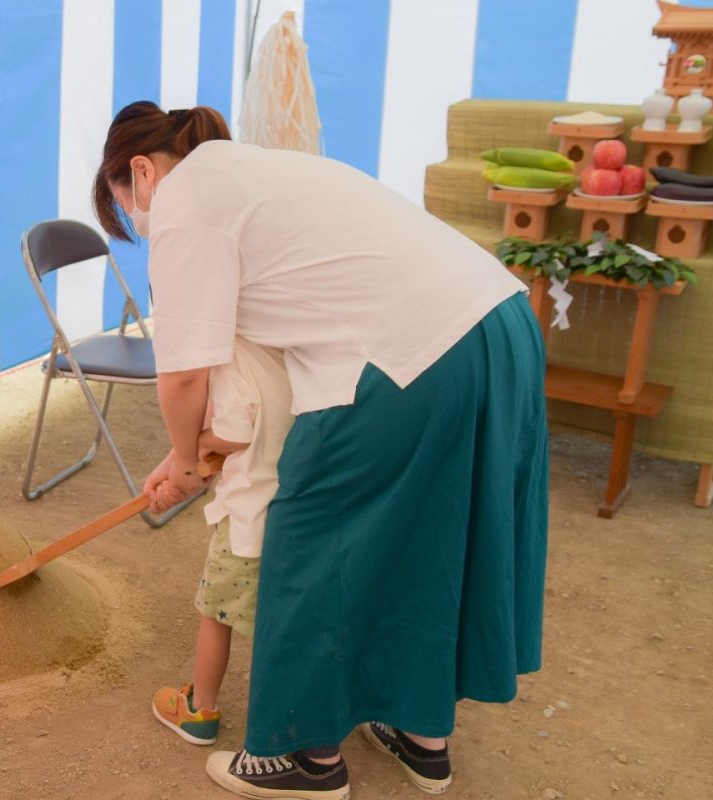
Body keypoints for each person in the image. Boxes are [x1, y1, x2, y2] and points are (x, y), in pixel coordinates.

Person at [94, 101, 548, 799]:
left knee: (306, 536)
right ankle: (420, 732)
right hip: (501, 323)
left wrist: (185, 463)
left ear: (142, 173)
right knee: (425, 538)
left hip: (410, 356)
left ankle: (302, 762)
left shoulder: (187, 196)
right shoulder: (257, 172)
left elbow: (183, 373)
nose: (142, 228)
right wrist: (188, 453)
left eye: (129, 212)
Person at [150, 337, 293, 745]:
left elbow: (234, 434)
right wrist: (175, 463)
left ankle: (200, 711)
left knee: (215, 617)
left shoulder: (232, 361)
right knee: (283, 619)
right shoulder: (283, 350)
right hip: (291, 514)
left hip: (246, 520)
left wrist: (203, 446)